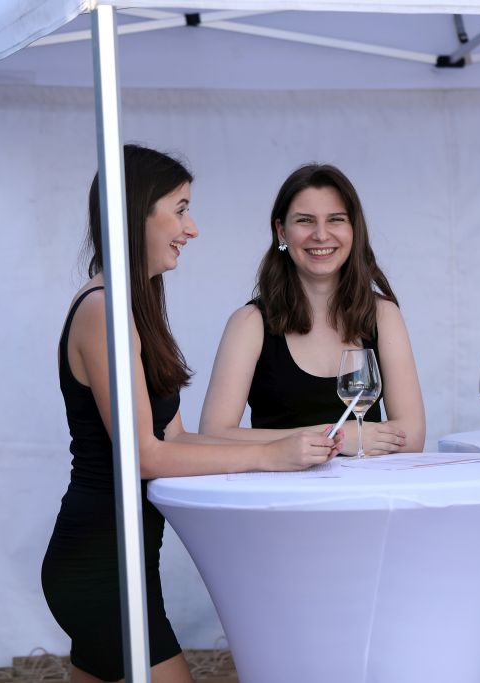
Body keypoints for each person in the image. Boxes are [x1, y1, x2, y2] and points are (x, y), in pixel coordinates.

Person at [41, 145, 342, 683]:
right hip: (99, 566)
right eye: (180, 209)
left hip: (124, 559)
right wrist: (271, 456)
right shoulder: (103, 311)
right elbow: (144, 456)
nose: (192, 228)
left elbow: (177, 436)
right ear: (137, 212)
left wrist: (297, 440)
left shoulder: (133, 303)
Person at [199, 163, 425, 456]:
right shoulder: (249, 323)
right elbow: (213, 435)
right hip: (279, 486)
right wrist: (336, 436)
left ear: (353, 230)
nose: (320, 235)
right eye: (305, 220)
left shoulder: (383, 315)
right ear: (282, 232)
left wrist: (341, 437)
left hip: (367, 485)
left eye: (335, 219)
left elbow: (412, 436)